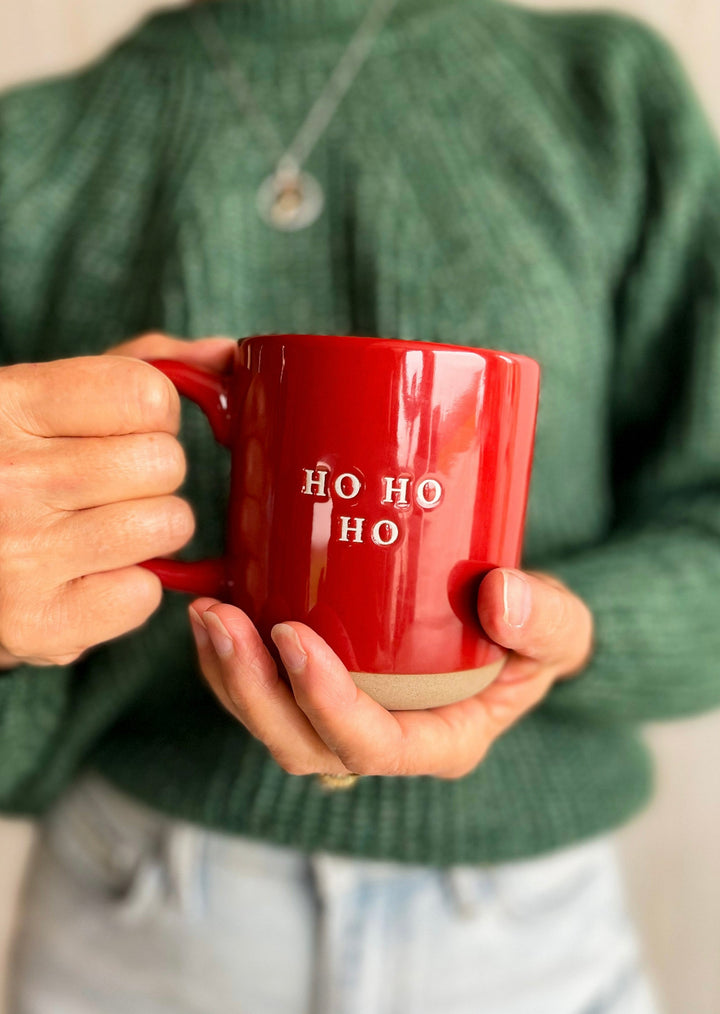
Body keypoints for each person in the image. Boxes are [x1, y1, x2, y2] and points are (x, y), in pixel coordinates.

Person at [1, 0, 719, 1010]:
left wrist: (565, 632)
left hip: (529, 935)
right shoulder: (23, 153)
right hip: (134, 916)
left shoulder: (609, 95)